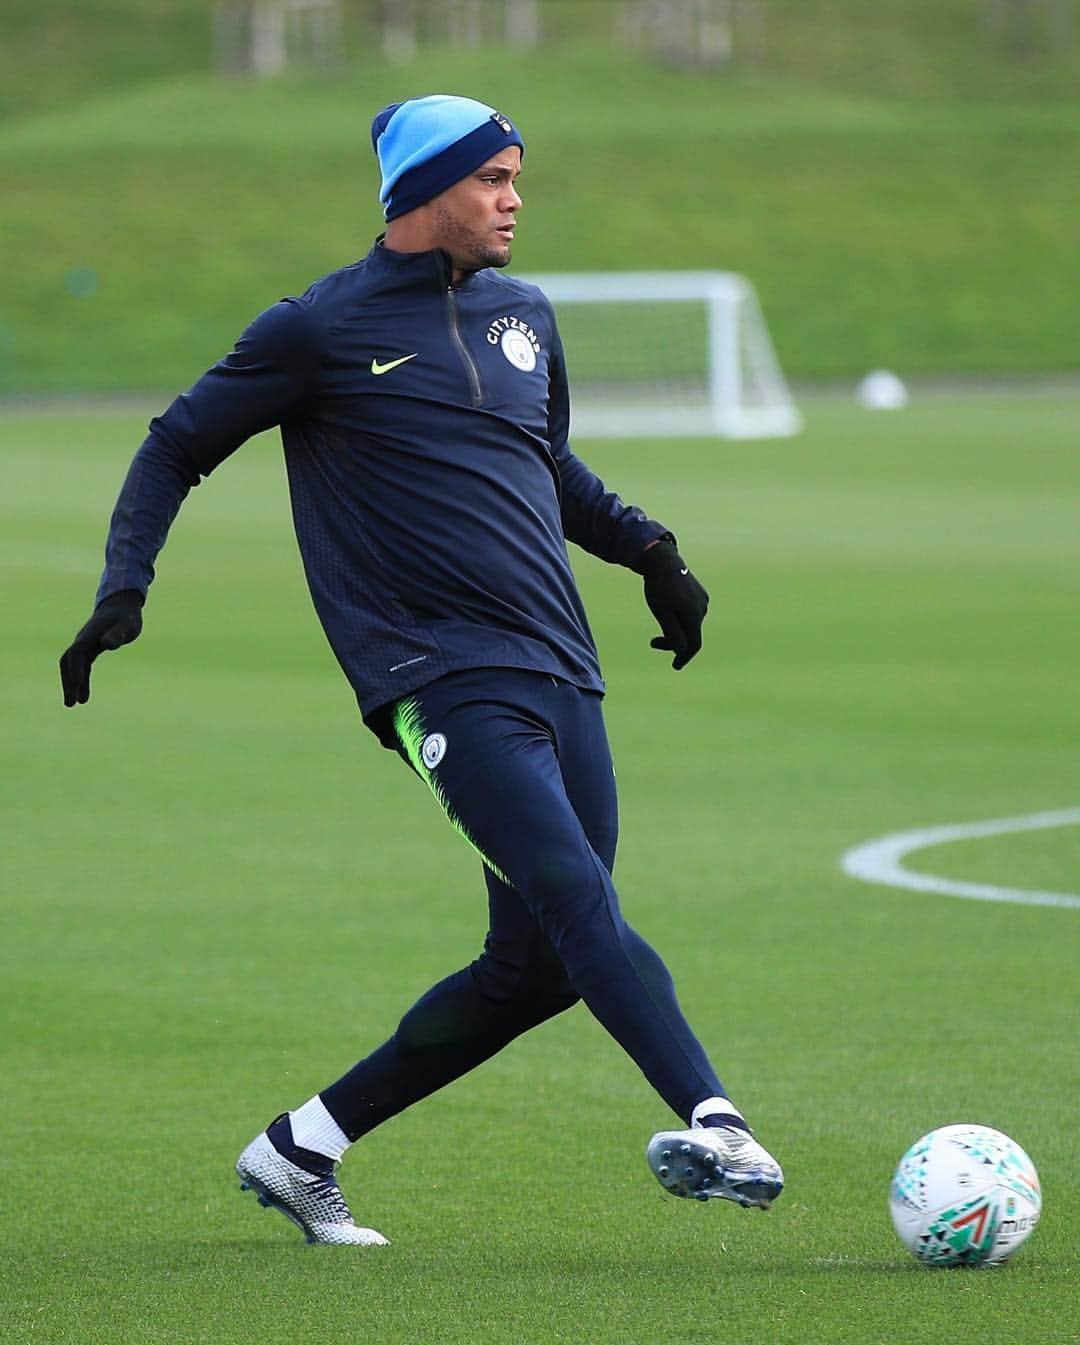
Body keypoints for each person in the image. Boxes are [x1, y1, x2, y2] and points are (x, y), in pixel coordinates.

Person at [59, 94, 783, 1246]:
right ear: (425, 193)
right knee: (578, 895)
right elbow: (174, 443)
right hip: (434, 675)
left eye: (516, 176)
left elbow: (546, 467)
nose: (513, 198)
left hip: (560, 662)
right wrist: (123, 585)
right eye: (493, 177)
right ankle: (719, 1116)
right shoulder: (317, 329)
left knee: (539, 962)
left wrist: (654, 552)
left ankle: (301, 1148)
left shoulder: (526, 315)